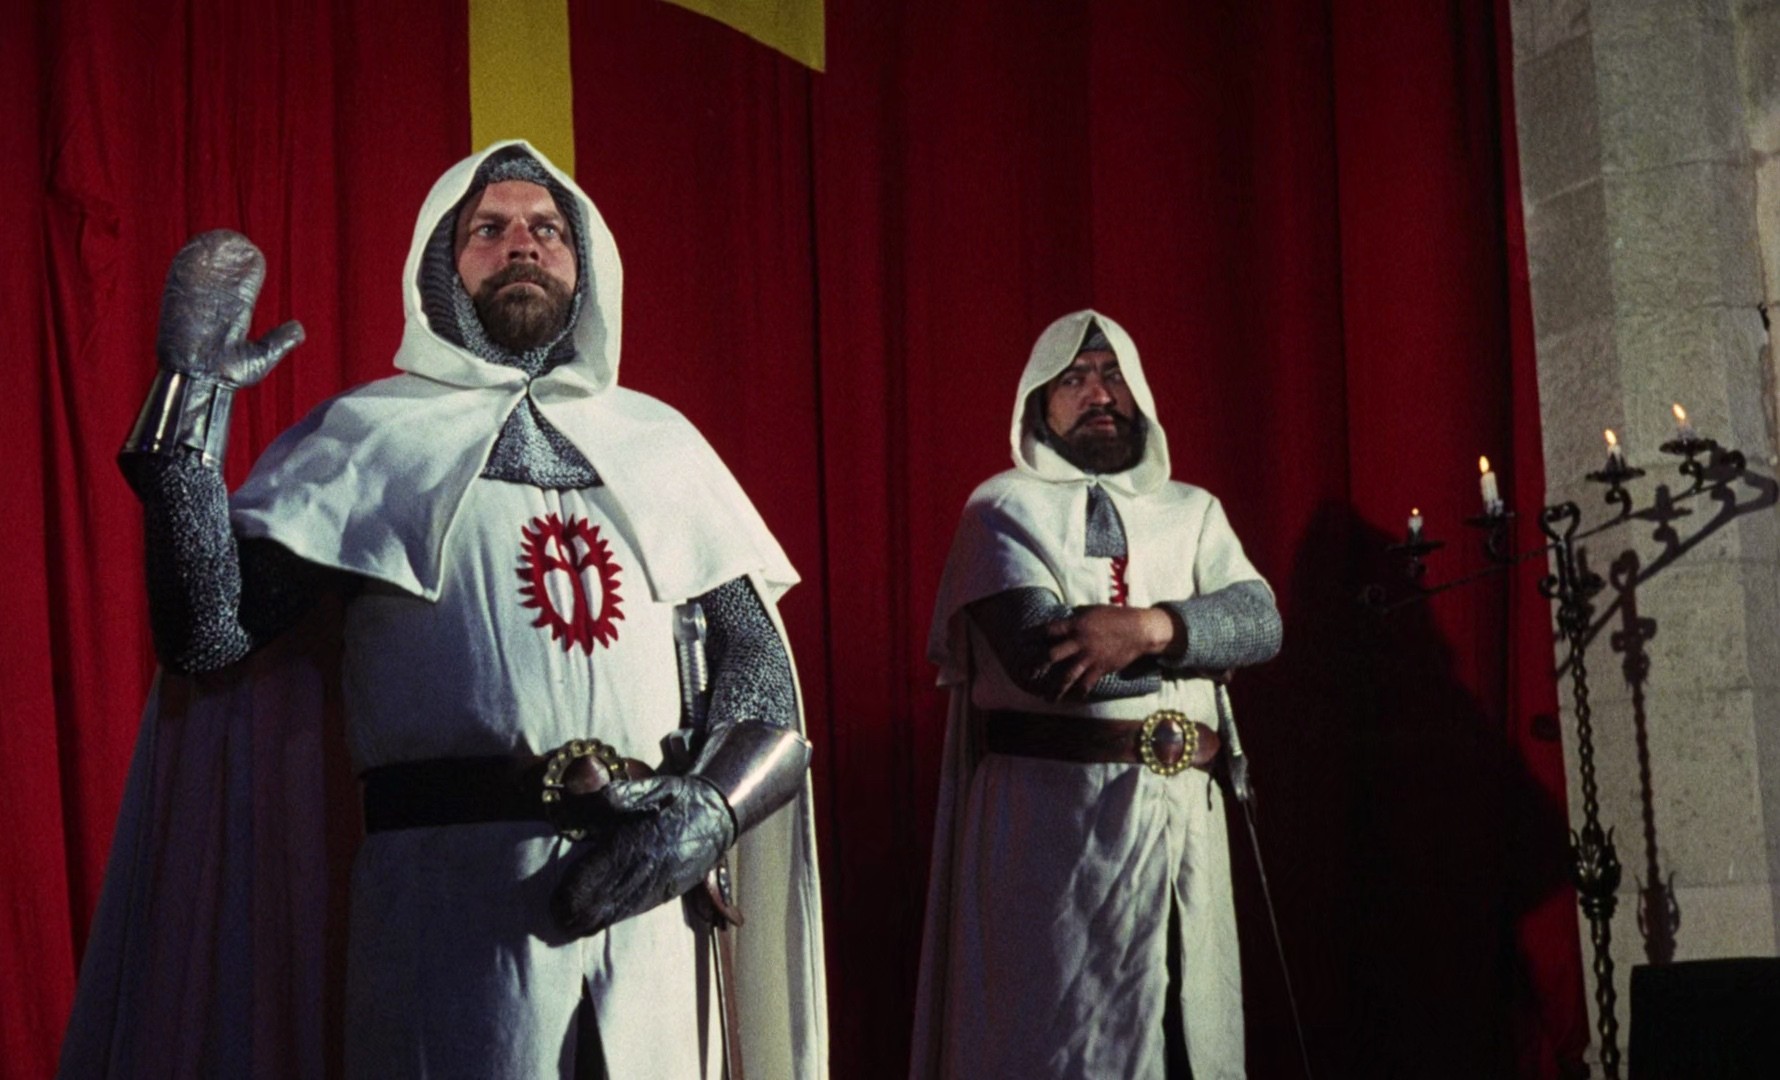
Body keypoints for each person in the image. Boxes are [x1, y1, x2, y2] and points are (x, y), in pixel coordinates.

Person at [59, 141, 827, 1080]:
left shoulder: (663, 448)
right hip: (447, 916)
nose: (522, 245)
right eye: (488, 229)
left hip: (652, 908)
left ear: (586, 263)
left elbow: (758, 673)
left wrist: (711, 810)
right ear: (439, 265)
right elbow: (209, 633)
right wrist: (189, 416)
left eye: (547, 230)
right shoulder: (368, 438)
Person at [910, 310, 1281, 1080]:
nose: (1098, 393)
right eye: (1073, 379)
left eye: (1113, 374)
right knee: (1052, 1043)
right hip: (1054, 830)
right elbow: (1049, 662)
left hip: (1182, 821)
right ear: (1038, 402)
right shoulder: (1001, 508)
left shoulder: (1194, 512)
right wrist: (1196, 645)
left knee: (1183, 1035)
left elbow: (1259, 622)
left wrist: (1146, 628)